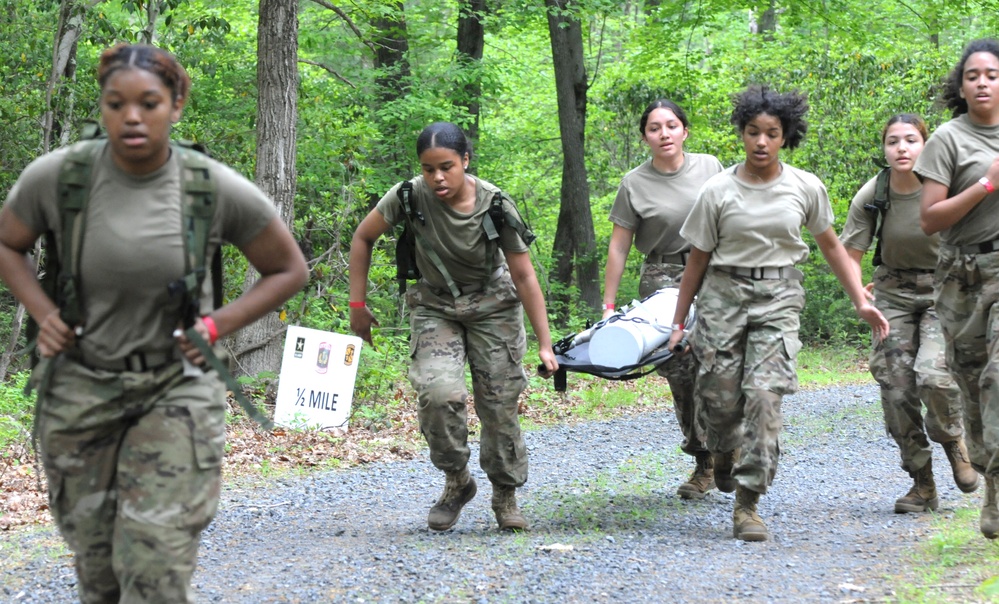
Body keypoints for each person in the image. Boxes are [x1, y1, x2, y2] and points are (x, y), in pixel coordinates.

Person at [0, 44, 309, 602]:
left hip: (175, 388)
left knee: (155, 568)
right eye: (116, 104)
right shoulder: (59, 178)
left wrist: (216, 326)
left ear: (177, 103)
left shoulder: (209, 186)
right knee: (100, 575)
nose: (132, 117)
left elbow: (288, 269)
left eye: (149, 103)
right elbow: (7, 243)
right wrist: (44, 315)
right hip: (80, 386)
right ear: (102, 107)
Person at [665, 85, 889, 542]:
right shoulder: (717, 190)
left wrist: (860, 301)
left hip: (779, 295)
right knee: (720, 402)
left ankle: (748, 505)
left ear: (785, 136)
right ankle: (723, 453)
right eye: (753, 132)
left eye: (771, 133)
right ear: (742, 135)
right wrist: (677, 321)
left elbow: (832, 248)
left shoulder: (805, 186)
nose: (761, 142)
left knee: (765, 399)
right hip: (722, 295)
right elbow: (696, 261)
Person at [348, 121, 558, 532]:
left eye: (446, 166)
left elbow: (525, 276)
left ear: (465, 160)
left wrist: (545, 344)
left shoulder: (495, 205)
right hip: (436, 305)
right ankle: (457, 480)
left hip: (493, 306)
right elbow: (362, 238)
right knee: (438, 393)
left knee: (498, 405)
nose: (437, 177)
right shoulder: (408, 197)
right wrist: (357, 305)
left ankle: (505, 492)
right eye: (428, 169)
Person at [840, 114, 978, 514]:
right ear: (884, 148)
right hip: (893, 294)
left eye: (911, 140)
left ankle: (953, 440)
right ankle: (922, 484)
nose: (902, 148)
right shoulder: (874, 193)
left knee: (934, 376)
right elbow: (850, 254)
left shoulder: (946, 185)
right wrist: (858, 296)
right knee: (896, 390)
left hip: (944, 290)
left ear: (925, 146)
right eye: (893, 141)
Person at [601, 99, 723, 500]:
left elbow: (732, 217)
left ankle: (730, 448)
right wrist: (608, 305)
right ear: (645, 137)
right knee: (683, 373)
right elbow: (619, 248)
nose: (665, 133)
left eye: (672, 125)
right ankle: (703, 460)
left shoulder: (710, 167)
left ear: (685, 131)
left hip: (714, 272)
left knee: (721, 363)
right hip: (662, 278)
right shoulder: (633, 183)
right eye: (655, 128)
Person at [917, 38, 999, 540]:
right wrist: (986, 185)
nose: (983, 82)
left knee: (998, 377)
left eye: (992, 73)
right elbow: (930, 220)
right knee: (970, 388)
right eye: (973, 75)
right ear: (961, 85)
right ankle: (989, 468)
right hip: (963, 278)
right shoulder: (947, 139)